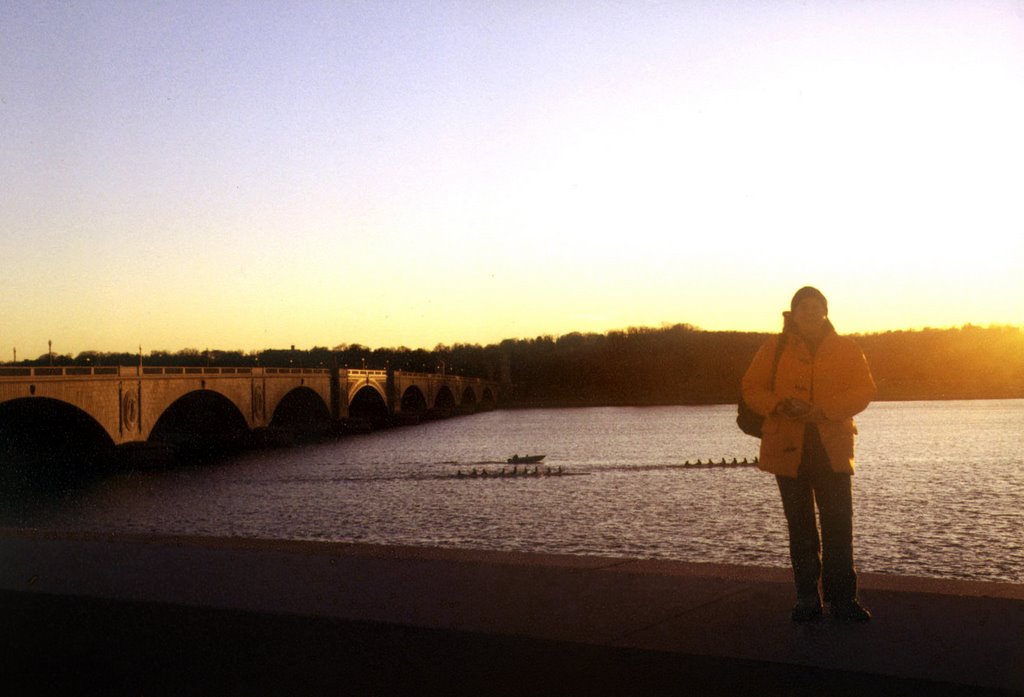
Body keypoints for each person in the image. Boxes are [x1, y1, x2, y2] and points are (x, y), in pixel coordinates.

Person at [741, 286, 877, 622]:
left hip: (831, 450)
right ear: (794, 312)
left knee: (838, 527)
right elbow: (751, 388)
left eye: (816, 307)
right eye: (804, 307)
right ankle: (806, 599)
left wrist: (822, 411)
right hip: (788, 451)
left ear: (826, 311)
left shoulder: (847, 348)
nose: (811, 312)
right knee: (800, 528)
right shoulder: (772, 348)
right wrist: (778, 405)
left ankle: (843, 601)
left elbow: (865, 390)